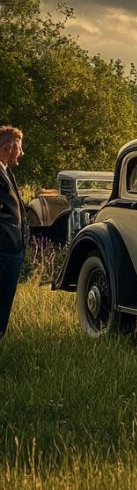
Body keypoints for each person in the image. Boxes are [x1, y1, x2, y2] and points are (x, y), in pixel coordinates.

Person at [0, 126, 25, 343]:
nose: (22, 152)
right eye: (20, 147)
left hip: (12, 250)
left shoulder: (6, 171)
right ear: (8, 147)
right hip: (3, 251)